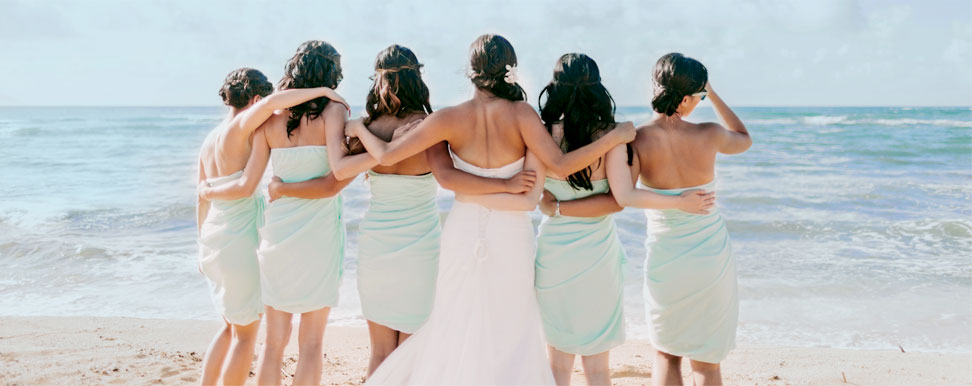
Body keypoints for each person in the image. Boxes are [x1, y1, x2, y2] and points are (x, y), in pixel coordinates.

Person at [346, 34, 635, 385]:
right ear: (509, 70)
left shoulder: (448, 118)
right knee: (510, 325)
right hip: (511, 230)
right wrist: (613, 138)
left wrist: (361, 125)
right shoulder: (522, 114)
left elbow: (399, 160)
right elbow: (559, 165)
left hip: (463, 228)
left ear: (471, 71)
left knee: (456, 319)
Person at [532, 53, 711, 386]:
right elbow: (618, 201)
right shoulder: (611, 135)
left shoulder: (543, 135)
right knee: (597, 368)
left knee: (556, 365)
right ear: (597, 86)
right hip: (597, 256)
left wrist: (554, 207)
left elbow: (535, 187)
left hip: (553, 254)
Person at [606, 52, 752, 386]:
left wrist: (674, 202)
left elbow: (624, 195)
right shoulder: (710, 133)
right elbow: (744, 138)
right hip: (710, 257)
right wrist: (713, 93)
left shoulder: (637, 138)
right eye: (699, 97)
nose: (700, 102)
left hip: (666, 258)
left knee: (667, 354)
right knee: (706, 362)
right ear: (686, 98)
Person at [195, 67, 346, 386]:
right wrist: (323, 92)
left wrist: (200, 244)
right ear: (255, 98)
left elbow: (201, 198)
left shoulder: (209, 140)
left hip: (213, 237)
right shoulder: (239, 127)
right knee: (246, 336)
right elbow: (243, 187)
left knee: (229, 327)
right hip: (237, 236)